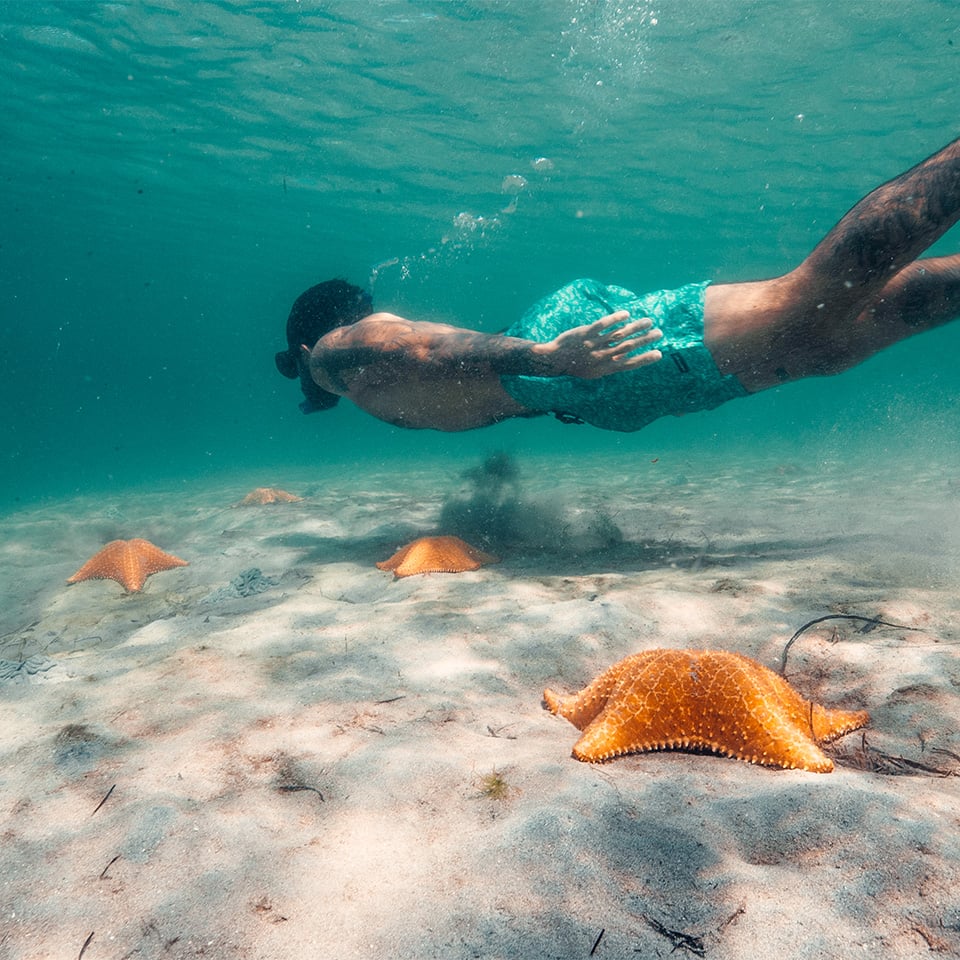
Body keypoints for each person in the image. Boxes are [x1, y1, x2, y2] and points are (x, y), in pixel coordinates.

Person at [276, 136, 960, 432]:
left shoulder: (334, 356)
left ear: (306, 345)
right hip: (582, 384)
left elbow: (420, 347)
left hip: (563, 355)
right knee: (825, 342)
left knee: (804, 297)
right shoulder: (360, 382)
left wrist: (544, 358)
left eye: (295, 364)